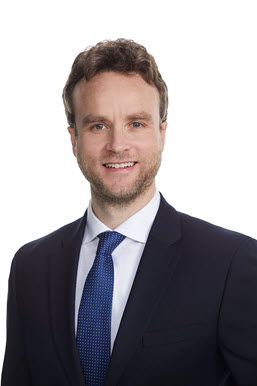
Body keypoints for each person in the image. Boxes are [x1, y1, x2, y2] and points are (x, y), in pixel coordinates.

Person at [1, 38, 257, 386]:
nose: (117, 144)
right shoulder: (30, 266)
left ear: (161, 134)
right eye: (98, 125)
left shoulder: (231, 262)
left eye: (136, 123)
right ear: (73, 138)